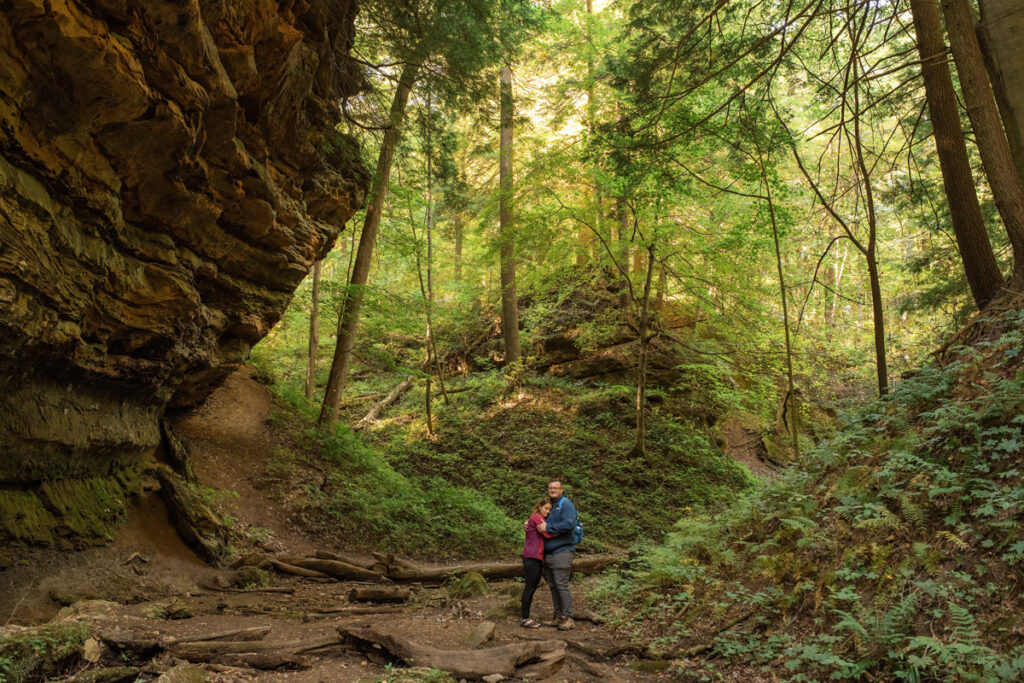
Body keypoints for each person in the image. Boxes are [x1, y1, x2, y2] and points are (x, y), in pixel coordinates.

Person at [536, 479, 577, 631]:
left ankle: (568, 617)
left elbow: (569, 524)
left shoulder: (566, 504)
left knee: (561, 585)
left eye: (556, 488)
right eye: (550, 488)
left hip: (562, 551)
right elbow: (540, 524)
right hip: (549, 553)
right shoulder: (551, 507)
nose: (553, 490)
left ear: (562, 490)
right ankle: (558, 616)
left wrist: (549, 526)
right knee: (553, 586)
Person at [520, 497, 552, 628]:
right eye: (546, 508)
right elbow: (547, 534)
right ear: (540, 507)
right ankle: (525, 619)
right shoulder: (537, 517)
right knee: (529, 587)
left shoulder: (540, 518)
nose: (548, 511)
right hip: (531, 556)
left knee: (532, 587)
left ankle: (525, 617)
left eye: (550, 509)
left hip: (536, 557)